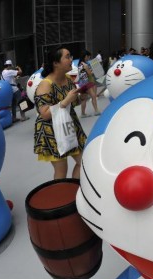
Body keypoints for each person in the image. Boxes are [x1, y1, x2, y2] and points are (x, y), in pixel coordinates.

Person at [34, 46, 87, 180]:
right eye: (67, 56)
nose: (71, 59)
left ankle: (72, 191)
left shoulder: (68, 79)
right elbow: (44, 114)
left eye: (70, 56)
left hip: (70, 125)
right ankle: (62, 198)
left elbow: (73, 102)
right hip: (52, 131)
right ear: (56, 63)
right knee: (61, 170)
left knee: (84, 161)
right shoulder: (45, 85)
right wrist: (65, 101)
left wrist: (81, 98)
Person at [77, 50, 100, 118]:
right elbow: (89, 74)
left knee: (83, 99)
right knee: (93, 96)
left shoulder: (80, 64)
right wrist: (93, 71)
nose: (89, 58)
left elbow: (82, 74)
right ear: (86, 56)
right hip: (86, 83)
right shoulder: (85, 65)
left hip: (81, 83)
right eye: (88, 57)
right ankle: (96, 111)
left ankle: (83, 113)